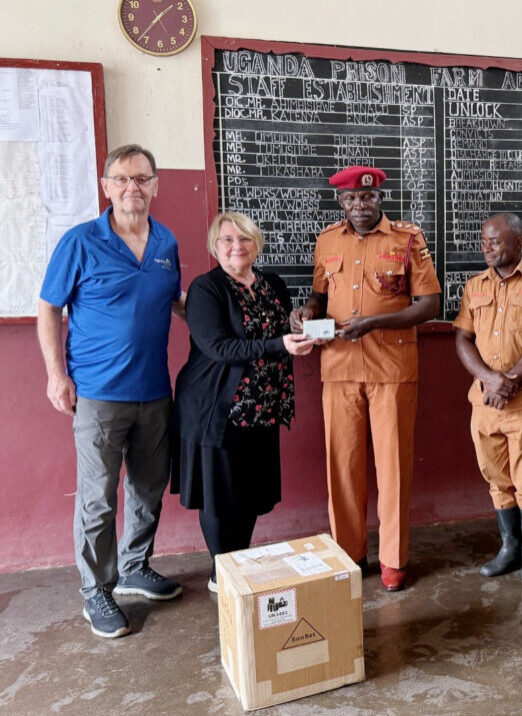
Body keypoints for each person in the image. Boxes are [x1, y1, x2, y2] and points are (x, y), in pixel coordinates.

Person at [37, 144, 185, 638]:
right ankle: (96, 590)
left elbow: (176, 301)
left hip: (154, 390)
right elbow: (48, 308)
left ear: (155, 185)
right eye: (121, 179)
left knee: (147, 488)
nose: (131, 188)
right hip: (98, 395)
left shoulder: (166, 242)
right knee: (98, 498)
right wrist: (56, 374)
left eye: (141, 178)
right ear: (106, 187)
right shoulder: (79, 241)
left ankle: (135, 567)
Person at [289, 165, 441, 592]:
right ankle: (349, 553)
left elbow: (429, 304)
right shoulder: (327, 240)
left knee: (393, 468)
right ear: (341, 202)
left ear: (380, 199)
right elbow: (319, 296)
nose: (360, 205)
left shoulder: (407, 239)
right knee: (343, 466)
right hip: (339, 368)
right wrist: (306, 312)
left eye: (368, 197)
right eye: (351, 198)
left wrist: (373, 323)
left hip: (391, 369)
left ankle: (393, 559)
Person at [172, 212, 314, 593]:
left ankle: (238, 562)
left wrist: (300, 329)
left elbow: (281, 331)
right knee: (219, 496)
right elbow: (219, 347)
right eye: (227, 240)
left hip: (262, 407)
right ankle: (222, 572)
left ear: (256, 243)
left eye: (245, 238)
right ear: (214, 247)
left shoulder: (274, 284)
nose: (237, 246)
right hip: (216, 408)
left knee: (250, 492)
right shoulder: (206, 289)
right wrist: (279, 344)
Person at [453, 213, 522, 584]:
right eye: (484, 241)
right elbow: (462, 338)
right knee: (496, 477)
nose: (486, 248)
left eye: (495, 242)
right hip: (484, 402)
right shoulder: (475, 286)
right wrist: (489, 380)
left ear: (518, 242)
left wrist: (509, 382)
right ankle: (510, 546)